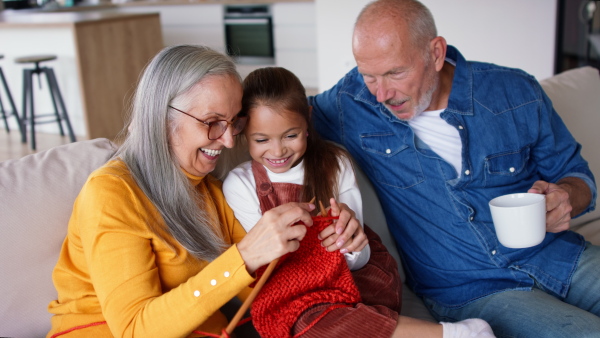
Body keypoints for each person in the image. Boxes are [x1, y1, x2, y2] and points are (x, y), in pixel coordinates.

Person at [309, 0, 600, 336]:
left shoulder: (515, 91)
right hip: (473, 290)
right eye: (369, 76)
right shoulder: (352, 102)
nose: (381, 94)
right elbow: (279, 112)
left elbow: (576, 174)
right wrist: (233, 116)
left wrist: (566, 196)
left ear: (435, 52)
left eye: (395, 72)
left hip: (558, 256)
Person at [46, 45, 319, 338]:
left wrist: (332, 243)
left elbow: (266, 287)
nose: (228, 141)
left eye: (234, 122)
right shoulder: (111, 193)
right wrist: (245, 255)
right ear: (162, 117)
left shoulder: (211, 191)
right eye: (213, 122)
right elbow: (135, 329)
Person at [223, 66, 494, 338]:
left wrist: (348, 243)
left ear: (308, 119)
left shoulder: (336, 163)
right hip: (297, 293)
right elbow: (271, 266)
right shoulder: (240, 184)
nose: (278, 150)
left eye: (290, 135)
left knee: (312, 324)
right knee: (306, 321)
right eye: (261, 140)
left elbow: (358, 255)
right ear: (242, 130)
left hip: (358, 278)